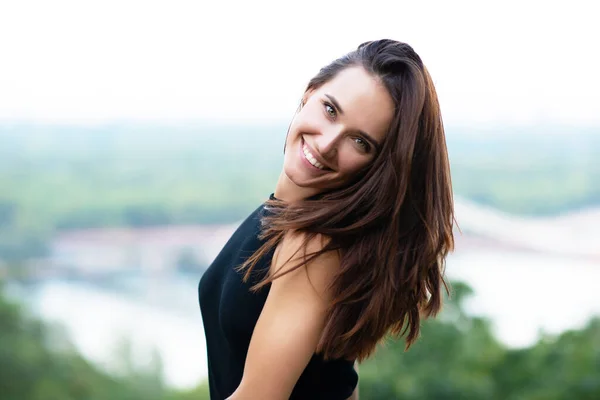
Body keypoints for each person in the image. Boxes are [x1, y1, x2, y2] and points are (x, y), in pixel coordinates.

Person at [198, 39, 455, 399]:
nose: (327, 144)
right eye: (331, 110)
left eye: (361, 142)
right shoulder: (282, 219)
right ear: (310, 91)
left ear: (377, 168)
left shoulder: (313, 248)